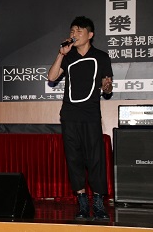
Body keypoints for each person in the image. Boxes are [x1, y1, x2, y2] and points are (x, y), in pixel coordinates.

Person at [48, 16, 113, 220]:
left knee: (95, 159)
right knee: (74, 159)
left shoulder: (101, 57)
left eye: (78, 31)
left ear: (90, 35)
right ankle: (82, 201)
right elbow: (51, 77)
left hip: (91, 115)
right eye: (72, 31)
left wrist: (107, 86)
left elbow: (107, 85)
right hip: (69, 116)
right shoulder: (68, 57)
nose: (73, 34)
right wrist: (60, 54)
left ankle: (99, 203)